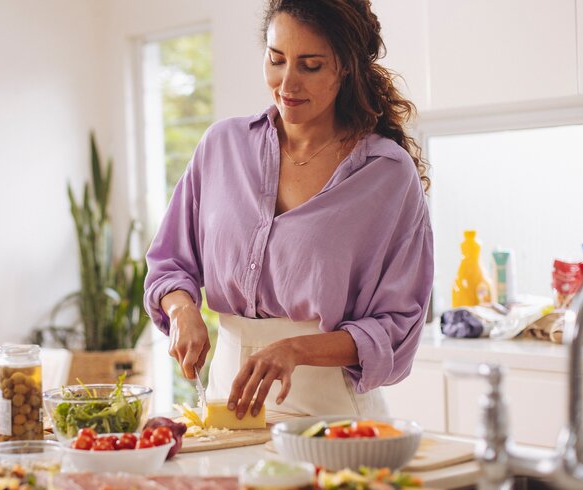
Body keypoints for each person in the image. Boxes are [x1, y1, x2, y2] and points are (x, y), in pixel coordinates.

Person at [143, 0, 433, 420]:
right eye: (276, 60)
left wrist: (295, 349)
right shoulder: (222, 146)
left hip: (332, 410)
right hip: (227, 405)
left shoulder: (384, 173)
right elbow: (169, 264)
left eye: (311, 66)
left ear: (346, 67)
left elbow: (397, 326)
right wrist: (182, 309)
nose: (287, 83)